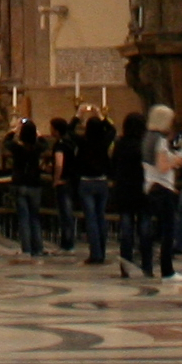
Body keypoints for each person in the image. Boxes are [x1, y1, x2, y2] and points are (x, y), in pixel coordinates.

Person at [137, 104, 182, 283]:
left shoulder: (147, 137)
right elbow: (163, 166)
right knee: (168, 231)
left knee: (154, 229)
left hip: (151, 187)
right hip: (162, 188)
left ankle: (147, 265)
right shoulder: (160, 140)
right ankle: (167, 270)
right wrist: (177, 161)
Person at [108, 110, 150, 277]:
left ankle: (125, 266)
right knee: (145, 230)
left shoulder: (120, 144)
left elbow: (113, 166)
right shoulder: (145, 144)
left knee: (126, 231)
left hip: (125, 190)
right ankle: (147, 265)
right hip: (143, 190)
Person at [73, 107, 118, 264]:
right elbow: (112, 130)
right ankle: (102, 252)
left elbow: (69, 131)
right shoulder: (104, 141)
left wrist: (78, 115)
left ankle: (96, 253)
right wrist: (101, 116)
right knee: (100, 217)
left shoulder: (83, 141)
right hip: (102, 181)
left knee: (91, 218)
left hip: (86, 182)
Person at [8, 117, 53, 255]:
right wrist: (38, 135)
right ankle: (38, 248)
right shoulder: (37, 148)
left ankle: (26, 248)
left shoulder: (17, 148)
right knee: (34, 217)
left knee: (23, 218)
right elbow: (45, 144)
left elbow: (6, 142)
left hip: (20, 183)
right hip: (34, 184)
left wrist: (14, 131)